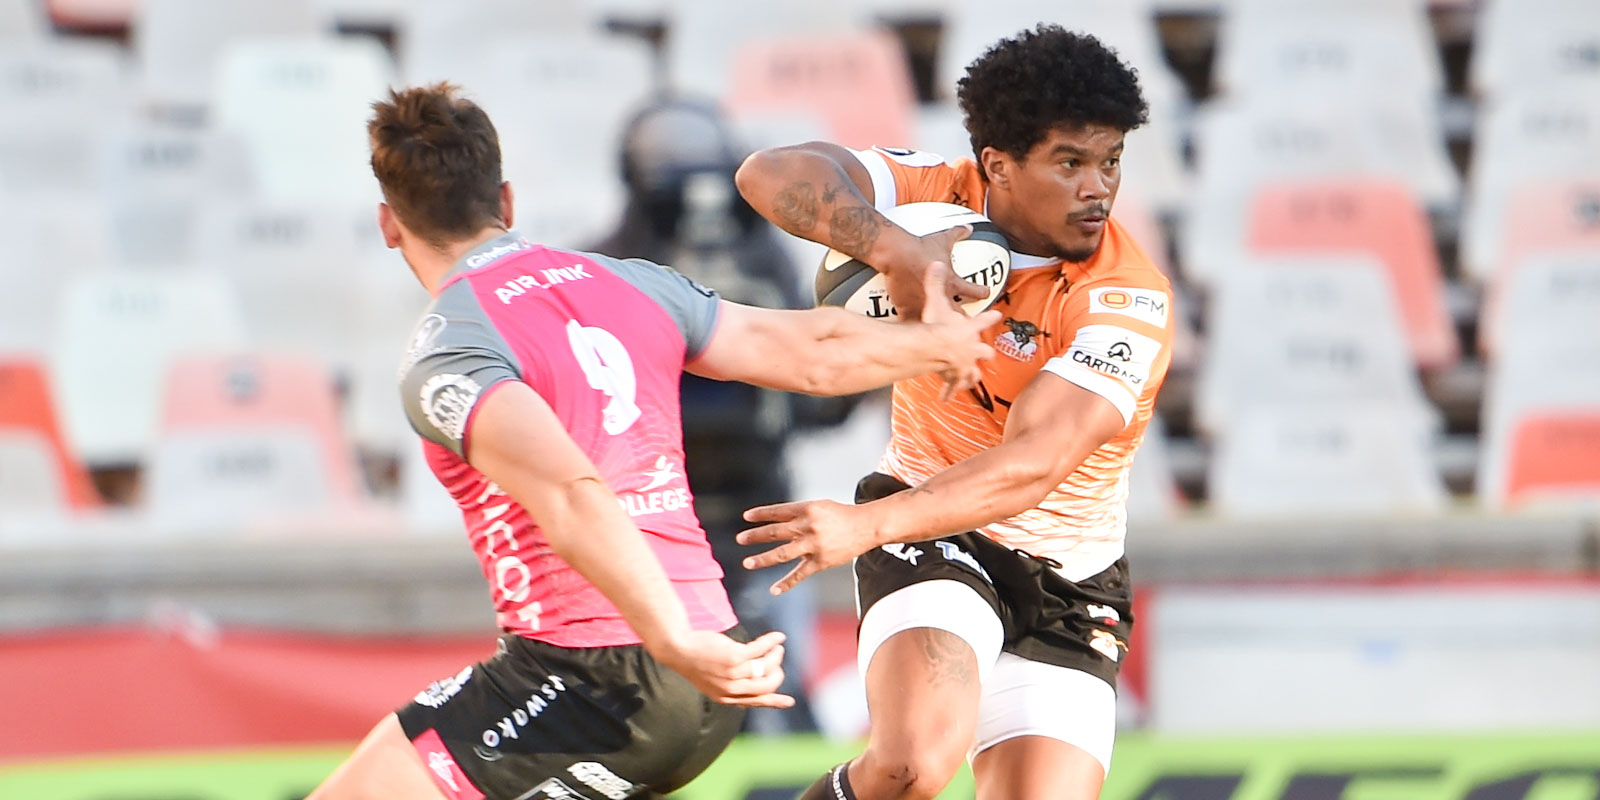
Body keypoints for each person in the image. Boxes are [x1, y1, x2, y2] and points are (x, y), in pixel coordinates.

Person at [305, 84, 997, 800]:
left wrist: (669, 640)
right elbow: (811, 352)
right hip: (708, 664)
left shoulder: (450, 349)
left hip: (596, 673)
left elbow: (573, 493)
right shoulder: (627, 281)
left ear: (389, 224)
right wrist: (941, 343)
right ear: (506, 203)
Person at [732, 25, 1174, 800]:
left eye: (1110, 161)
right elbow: (769, 172)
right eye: (1070, 162)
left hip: (1070, 583)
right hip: (934, 530)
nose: (1097, 188)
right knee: (909, 768)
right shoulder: (935, 197)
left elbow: (1033, 465)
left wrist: (862, 526)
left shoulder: (1126, 298)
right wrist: (896, 251)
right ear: (997, 164)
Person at [589, 96, 852, 734]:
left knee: (774, 681)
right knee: (656, 704)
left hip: (761, 515)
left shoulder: (764, 260)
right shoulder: (601, 270)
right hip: (649, 522)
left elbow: (817, 394)